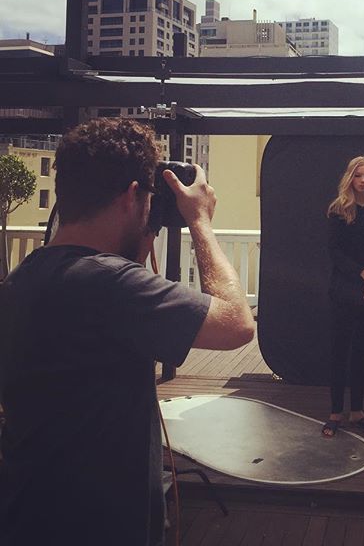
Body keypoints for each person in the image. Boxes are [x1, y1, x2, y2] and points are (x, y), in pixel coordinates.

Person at [0, 118, 255, 546]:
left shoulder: (24, 279)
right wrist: (200, 222)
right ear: (132, 196)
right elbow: (236, 324)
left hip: (29, 513)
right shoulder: (112, 286)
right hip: (103, 525)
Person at [322, 155, 364, 438]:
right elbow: (335, 253)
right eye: (359, 175)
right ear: (350, 177)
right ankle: (336, 413)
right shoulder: (338, 210)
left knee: (362, 353)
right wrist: (363, 274)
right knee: (340, 353)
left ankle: (358, 412)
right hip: (344, 290)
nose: (363, 180)